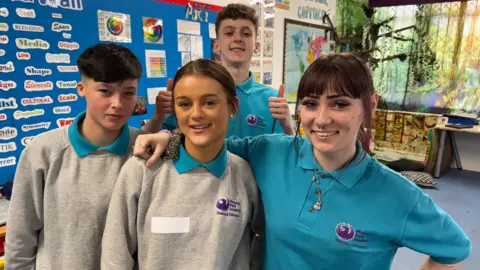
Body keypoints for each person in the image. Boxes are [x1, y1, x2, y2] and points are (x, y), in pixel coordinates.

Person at [133, 53, 471, 269]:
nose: (321, 119)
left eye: (339, 104)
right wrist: (170, 137)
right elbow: (210, 143)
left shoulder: (397, 195)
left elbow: (454, 249)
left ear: (369, 104)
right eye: (310, 103)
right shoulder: (272, 152)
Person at [101, 59, 259, 269]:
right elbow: (115, 258)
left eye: (209, 103)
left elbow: (258, 245)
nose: (196, 114)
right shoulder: (143, 170)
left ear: (233, 106)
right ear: (175, 110)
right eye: (185, 104)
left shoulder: (244, 174)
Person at [5, 43, 145, 270]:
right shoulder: (43, 152)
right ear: (81, 88)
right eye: (105, 91)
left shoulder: (145, 150)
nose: (117, 104)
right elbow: (21, 237)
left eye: (128, 93)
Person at [142, 3, 294, 137]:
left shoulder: (272, 100)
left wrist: (288, 126)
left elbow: (289, 152)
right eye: (229, 33)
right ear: (217, 45)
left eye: (246, 33)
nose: (237, 38)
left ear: (256, 46)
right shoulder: (193, 92)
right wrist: (157, 117)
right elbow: (150, 141)